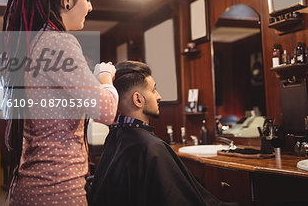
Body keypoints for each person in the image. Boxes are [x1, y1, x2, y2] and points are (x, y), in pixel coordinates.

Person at [2, 0, 118, 205]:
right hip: (56, 190)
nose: (90, 7)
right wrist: (105, 77)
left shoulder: (32, 44)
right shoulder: (59, 43)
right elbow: (106, 111)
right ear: (67, 1)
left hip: (29, 187)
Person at [88, 61, 234, 206]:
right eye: (153, 90)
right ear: (138, 99)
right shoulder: (151, 147)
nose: (159, 96)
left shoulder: (116, 136)